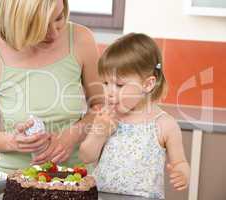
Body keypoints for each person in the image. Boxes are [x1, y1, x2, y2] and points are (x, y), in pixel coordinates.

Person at [0, 0, 103, 174]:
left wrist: (71, 136)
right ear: (15, 22)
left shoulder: (81, 38)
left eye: (59, 18)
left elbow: (102, 108)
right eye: (40, 26)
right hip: (15, 179)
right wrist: (12, 141)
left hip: (76, 179)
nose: (54, 34)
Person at [79, 33, 190, 199]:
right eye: (106, 83)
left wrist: (182, 172)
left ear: (147, 84)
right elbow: (86, 156)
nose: (109, 92)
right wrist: (98, 133)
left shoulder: (164, 124)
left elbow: (180, 162)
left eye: (119, 85)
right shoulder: (107, 117)